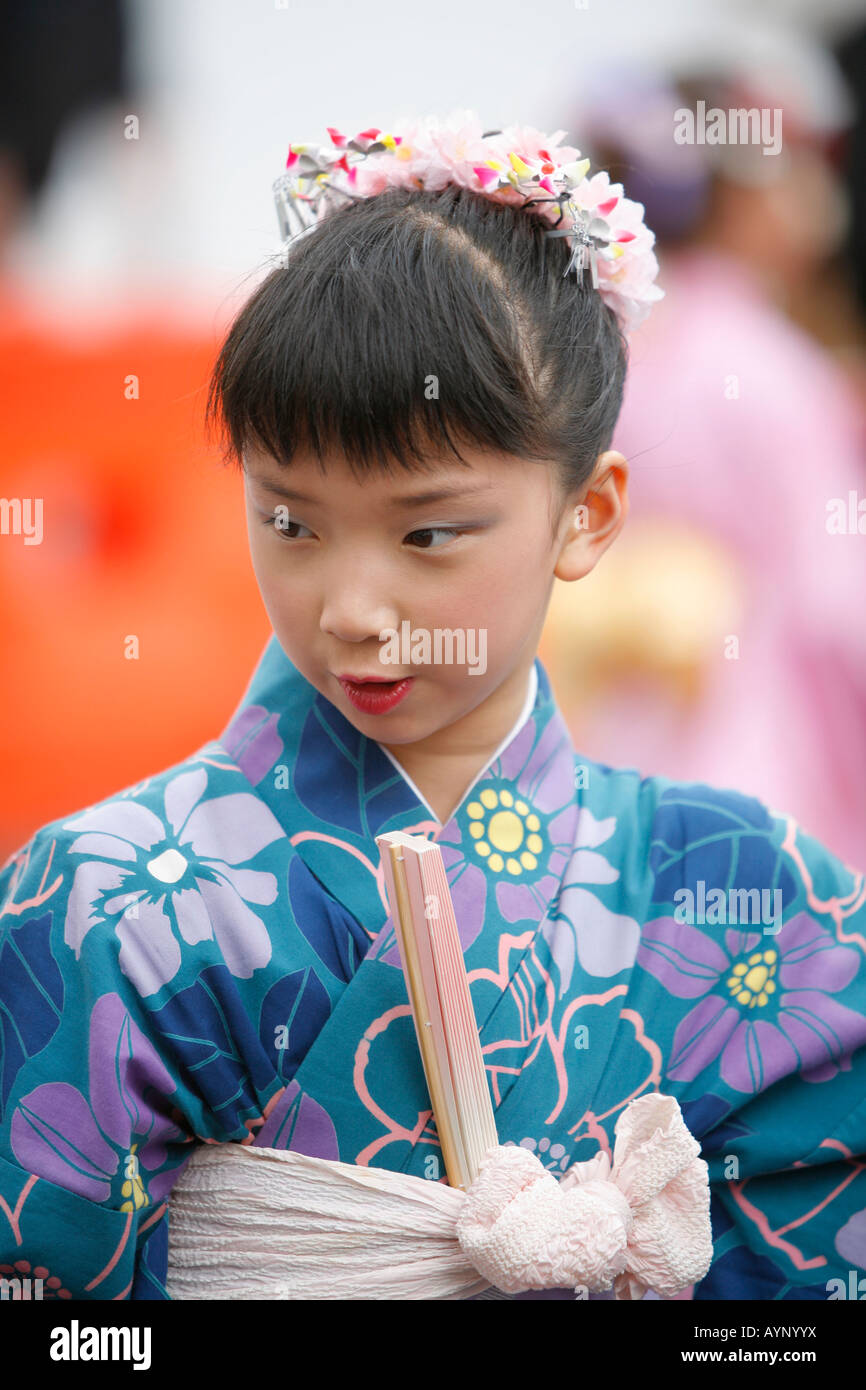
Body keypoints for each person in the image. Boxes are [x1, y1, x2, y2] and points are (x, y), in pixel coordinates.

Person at [0, 112, 864, 1302]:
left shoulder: (757, 890)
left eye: (427, 532)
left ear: (589, 514)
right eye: (290, 521)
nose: (351, 608)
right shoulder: (105, 897)